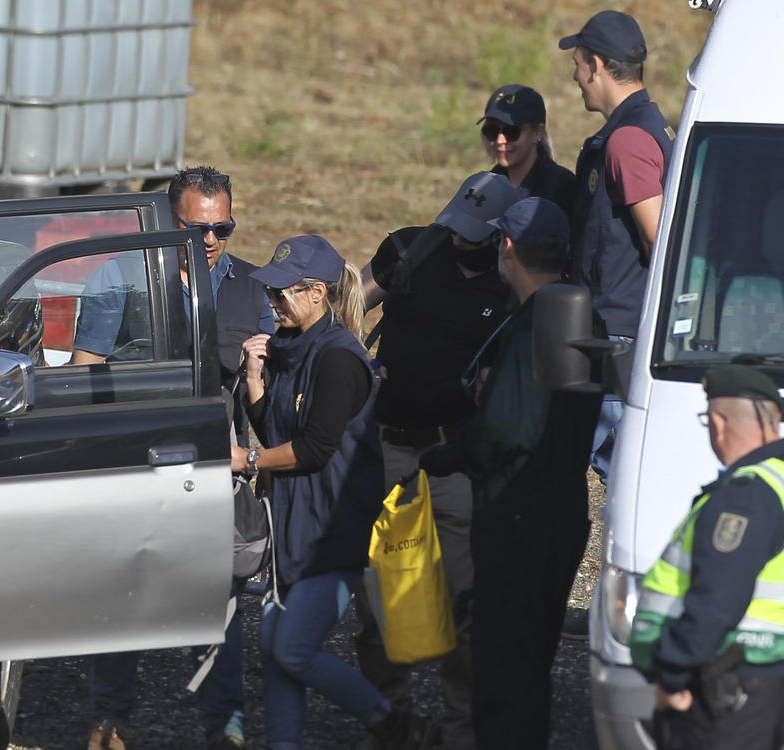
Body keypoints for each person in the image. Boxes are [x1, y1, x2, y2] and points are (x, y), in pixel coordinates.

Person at [79, 167, 272, 750]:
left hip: (215, 463)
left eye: (224, 229)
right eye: (197, 228)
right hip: (137, 457)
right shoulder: (118, 275)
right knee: (123, 584)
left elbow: (265, 393)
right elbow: (86, 370)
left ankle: (225, 725)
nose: (210, 241)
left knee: (220, 591)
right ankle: (109, 719)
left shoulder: (254, 289)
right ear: (168, 221)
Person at [230, 235, 429, 750]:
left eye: (282, 295)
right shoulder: (289, 349)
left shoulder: (339, 358)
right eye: (270, 295)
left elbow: (314, 449)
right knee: (274, 646)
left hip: (331, 531)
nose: (272, 305)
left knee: (292, 649)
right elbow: (275, 431)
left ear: (317, 292)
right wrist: (256, 375)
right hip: (295, 526)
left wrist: (247, 460)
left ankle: (392, 721)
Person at [418, 198, 602, 749]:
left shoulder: (534, 324)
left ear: (509, 248)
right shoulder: (581, 312)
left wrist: (449, 454)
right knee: (529, 670)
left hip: (521, 515)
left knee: (503, 675)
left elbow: (508, 430)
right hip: (561, 506)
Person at [355, 171, 518, 750]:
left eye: (474, 234)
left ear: (503, 239)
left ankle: (459, 731)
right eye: (456, 226)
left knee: (463, 606)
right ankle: (391, 722)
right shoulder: (410, 248)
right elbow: (351, 306)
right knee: (377, 601)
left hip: (455, 461)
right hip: (389, 449)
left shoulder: (510, 291)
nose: (458, 240)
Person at [629, 366, 784, 750]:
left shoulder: (746, 495)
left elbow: (717, 598)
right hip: (756, 683)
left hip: (720, 686)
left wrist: (672, 673)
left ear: (717, 422)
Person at [558, 10, 674, 483]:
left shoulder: (627, 140)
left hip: (616, 341)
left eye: (579, 62)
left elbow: (658, 238)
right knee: (623, 479)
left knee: (556, 474)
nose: (575, 75)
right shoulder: (645, 126)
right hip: (618, 336)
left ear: (597, 65)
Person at [479, 83, 576, 217]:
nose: (500, 141)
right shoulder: (485, 186)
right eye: (492, 132)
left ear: (537, 133)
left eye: (512, 132)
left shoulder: (562, 188)